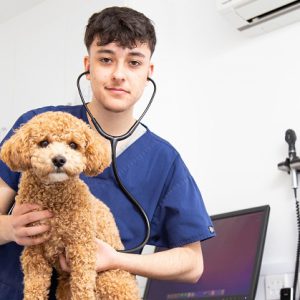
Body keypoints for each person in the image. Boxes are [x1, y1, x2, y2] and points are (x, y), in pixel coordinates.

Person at [0, 6, 215, 299]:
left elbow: (192, 264)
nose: (118, 74)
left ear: (148, 72)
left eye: (134, 62)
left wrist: (115, 259)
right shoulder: (36, 126)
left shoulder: (164, 161)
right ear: (88, 66)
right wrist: (10, 228)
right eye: (106, 59)